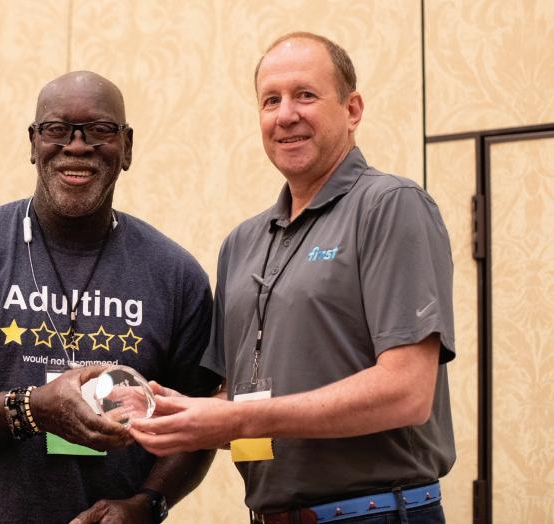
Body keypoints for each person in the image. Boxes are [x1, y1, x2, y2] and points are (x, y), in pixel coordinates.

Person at [131, 32, 456, 524]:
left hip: (376, 514)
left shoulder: (390, 206)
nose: (285, 115)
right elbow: (238, 401)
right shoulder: (241, 243)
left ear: (352, 110)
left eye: (305, 95)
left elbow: (407, 392)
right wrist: (177, 412)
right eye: (271, 100)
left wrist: (238, 416)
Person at [0, 70, 219, 524]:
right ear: (33, 142)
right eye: (57, 129)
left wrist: (148, 503)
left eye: (99, 130)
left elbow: (196, 423)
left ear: (127, 147)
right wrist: (31, 408)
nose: (77, 146)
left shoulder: (176, 275)